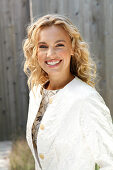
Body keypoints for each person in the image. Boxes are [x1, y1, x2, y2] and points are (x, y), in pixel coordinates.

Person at [23, 14, 113, 170]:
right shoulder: (36, 93)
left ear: (73, 48)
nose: (50, 54)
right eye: (43, 46)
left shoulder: (86, 99)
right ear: (35, 52)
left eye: (59, 45)